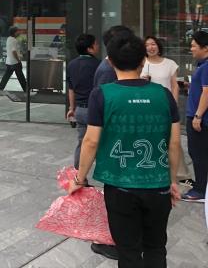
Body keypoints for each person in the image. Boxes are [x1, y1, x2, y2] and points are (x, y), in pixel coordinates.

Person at [69, 32, 181, 266]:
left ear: (110, 61)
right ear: (143, 61)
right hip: (157, 184)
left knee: (128, 250)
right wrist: (172, 181)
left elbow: (90, 141)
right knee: (156, 247)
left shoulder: (102, 95)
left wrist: (79, 178)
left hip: (119, 186)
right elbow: (174, 143)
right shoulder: (163, 95)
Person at [144, 36, 192, 185]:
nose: (151, 47)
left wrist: (174, 105)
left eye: (153, 44)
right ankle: (151, 171)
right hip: (146, 108)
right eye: (147, 45)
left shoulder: (170, 64)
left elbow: (174, 86)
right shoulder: (141, 64)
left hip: (165, 108)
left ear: (158, 46)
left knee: (173, 140)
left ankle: (181, 174)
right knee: (149, 141)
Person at [65, 34, 100, 169]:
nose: (97, 46)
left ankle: (78, 173)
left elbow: (71, 88)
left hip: (79, 109)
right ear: (89, 49)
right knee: (100, 142)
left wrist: (71, 108)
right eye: (95, 44)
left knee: (82, 141)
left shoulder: (72, 64)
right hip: (95, 110)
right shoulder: (98, 65)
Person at [184, 31, 208, 202]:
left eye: (193, 46)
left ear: (205, 48)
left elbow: (207, 92)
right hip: (199, 116)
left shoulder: (206, 66)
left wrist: (198, 116)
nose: (191, 49)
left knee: (198, 154)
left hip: (200, 119)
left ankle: (200, 190)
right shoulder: (202, 65)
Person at [0, 26, 27, 94]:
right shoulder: (14, 40)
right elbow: (14, 51)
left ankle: (0, 89)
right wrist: (18, 60)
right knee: (21, 77)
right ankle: (26, 90)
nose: (19, 32)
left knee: (6, 76)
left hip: (9, 61)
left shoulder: (8, 39)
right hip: (15, 62)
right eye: (18, 31)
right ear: (15, 32)